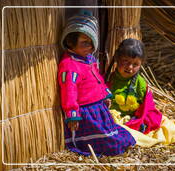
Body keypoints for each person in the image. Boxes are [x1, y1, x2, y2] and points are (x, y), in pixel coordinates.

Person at [58, 11, 136, 156]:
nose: (90, 47)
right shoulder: (69, 66)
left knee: (119, 136)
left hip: (98, 109)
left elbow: (97, 79)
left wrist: (104, 94)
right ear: (70, 42)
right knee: (110, 145)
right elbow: (69, 90)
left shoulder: (88, 59)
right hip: (86, 115)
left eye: (92, 42)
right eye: (84, 43)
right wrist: (72, 113)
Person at [106, 38, 175, 147]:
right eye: (126, 61)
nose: (130, 67)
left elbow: (148, 106)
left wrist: (140, 119)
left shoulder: (140, 84)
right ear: (117, 58)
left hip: (134, 118)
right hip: (115, 118)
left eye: (135, 64)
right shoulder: (109, 80)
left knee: (162, 121)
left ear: (141, 64)